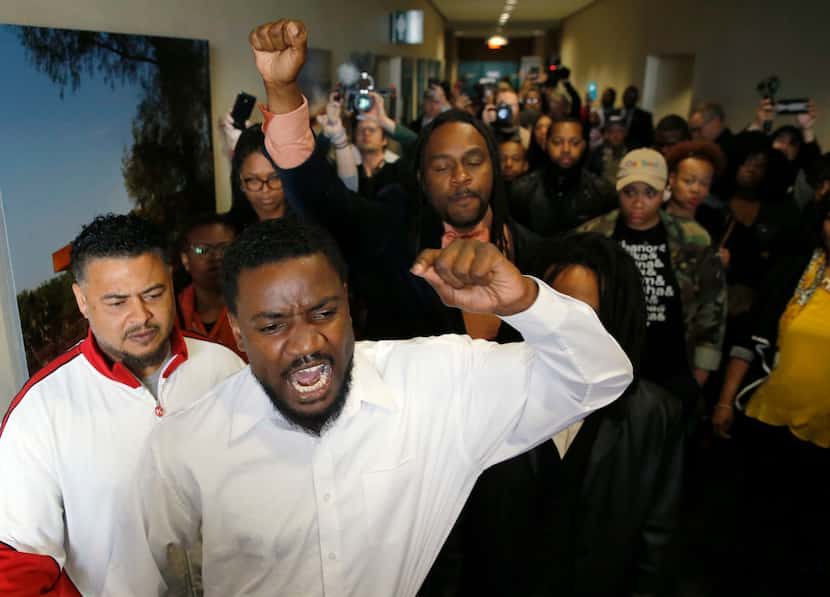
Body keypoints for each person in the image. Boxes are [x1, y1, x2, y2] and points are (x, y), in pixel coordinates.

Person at [120, 215, 633, 597]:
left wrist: (521, 301)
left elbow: (599, 377)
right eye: (272, 325)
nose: (304, 345)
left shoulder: (437, 384)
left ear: (347, 300)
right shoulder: (184, 447)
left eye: (323, 312)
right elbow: (169, 578)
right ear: (236, 328)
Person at [249, 20, 545, 342]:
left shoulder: (536, 251)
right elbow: (322, 200)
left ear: (495, 167)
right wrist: (281, 90)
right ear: (421, 177)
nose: (461, 176)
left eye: (474, 162)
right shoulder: (393, 236)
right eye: (442, 167)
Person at [0, 214, 245, 595]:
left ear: (170, 279)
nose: (141, 316)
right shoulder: (39, 413)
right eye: (117, 302)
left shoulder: (226, 368)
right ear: (82, 300)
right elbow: (19, 568)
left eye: (153, 294)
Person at [445, 232, 684, 597]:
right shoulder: (489, 392)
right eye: (557, 312)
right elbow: (455, 527)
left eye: (586, 316)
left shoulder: (653, 417)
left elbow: (656, 543)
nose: (567, 332)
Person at [712, 196, 830, 595]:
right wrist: (726, 400)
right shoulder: (795, 270)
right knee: (755, 531)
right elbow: (750, 341)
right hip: (768, 419)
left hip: (825, 438)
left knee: (808, 542)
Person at [579, 148, 726, 411]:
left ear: (664, 191)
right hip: (604, 367)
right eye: (629, 192)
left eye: (649, 193)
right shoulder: (593, 235)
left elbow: (712, 308)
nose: (638, 202)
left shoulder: (693, 239)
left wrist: (700, 375)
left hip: (671, 369)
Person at [510, 117, 618, 237]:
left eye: (575, 143)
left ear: (584, 145)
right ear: (545, 143)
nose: (566, 149)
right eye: (557, 142)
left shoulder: (602, 191)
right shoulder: (522, 190)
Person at [316, 91, 417, 201]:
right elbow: (315, 161)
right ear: (354, 138)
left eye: (372, 130)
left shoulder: (398, 170)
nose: (366, 133)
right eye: (361, 130)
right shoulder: (344, 171)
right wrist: (329, 131)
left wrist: (384, 121)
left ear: (384, 140)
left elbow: (421, 145)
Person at [177, 211, 246, 359]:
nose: (216, 256)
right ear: (185, 259)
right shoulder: (173, 311)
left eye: (225, 248)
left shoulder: (256, 302)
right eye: (202, 250)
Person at [227, 124, 288, 228]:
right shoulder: (228, 234)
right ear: (240, 180)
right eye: (254, 180)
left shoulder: (313, 226)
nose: (265, 190)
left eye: (274, 178)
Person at [665, 140, 727, 221]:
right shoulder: (654, 210)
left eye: (705, 183)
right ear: (672, 178)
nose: (696, 189)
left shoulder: (715, 220)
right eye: (688, 181)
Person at [588, 109, 628, 185]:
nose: (615, 135)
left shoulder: (631, 154)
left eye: (619, 131)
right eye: (611, 131)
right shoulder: (597, 154)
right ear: (606, 134)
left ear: (625, 133)